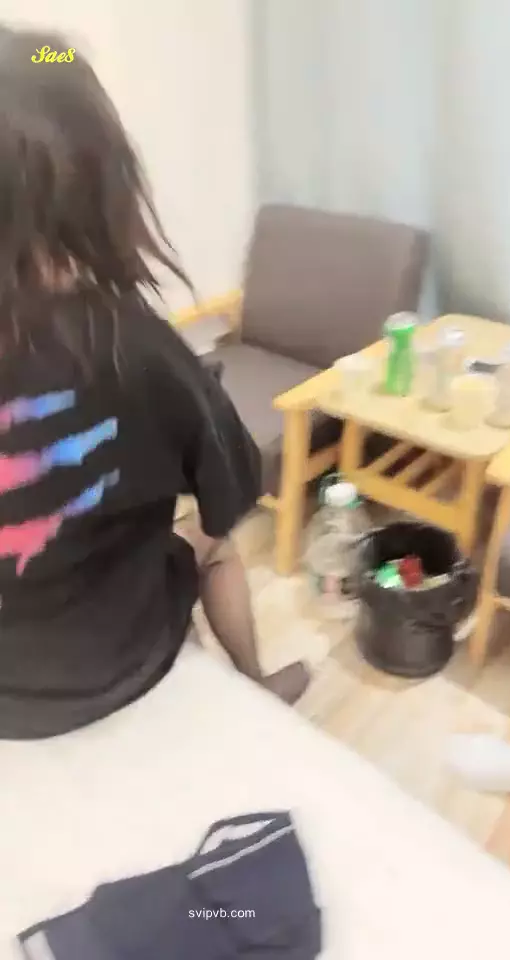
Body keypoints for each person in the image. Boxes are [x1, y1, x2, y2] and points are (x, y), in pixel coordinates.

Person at [0, 25, 309, 740]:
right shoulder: (135, 347)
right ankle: (257, 682)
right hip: (109, 665)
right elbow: (229, 492)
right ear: (99, 181)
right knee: (216, 543)